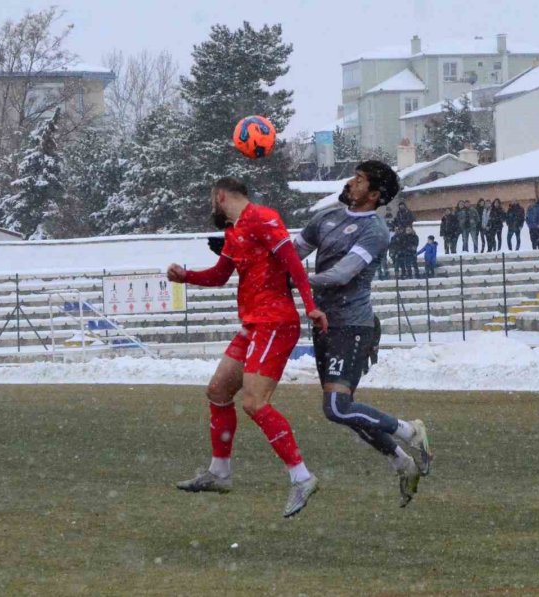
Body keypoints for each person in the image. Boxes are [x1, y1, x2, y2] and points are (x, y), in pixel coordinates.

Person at [170, 177, 328, 518]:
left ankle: (302, 477)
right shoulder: (235, 231)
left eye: (212, 199)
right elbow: (219, 275)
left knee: (255, 403)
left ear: (220, 195)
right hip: (254, 324)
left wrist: (310, 305)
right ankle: (220, 472)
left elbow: (292, 262)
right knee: (217, 391)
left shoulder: (263, 217)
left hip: (275, 322)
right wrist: (187, 276)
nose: (211, 205)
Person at [293, 160, 433, 508]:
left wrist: (295, 279)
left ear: (373, 194)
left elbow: (342, 274)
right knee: (344, 410)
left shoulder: (375, 231)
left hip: (353, 327)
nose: (350, 183)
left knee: (338, 408)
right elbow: (291, 254)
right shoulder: (326, 218)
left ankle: (409, 431)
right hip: (324, 324)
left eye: (358, 180)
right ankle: (402, 462)